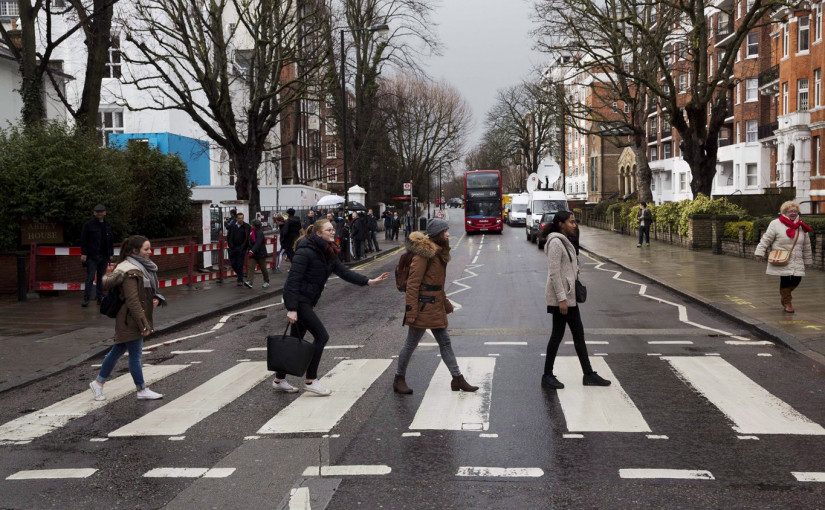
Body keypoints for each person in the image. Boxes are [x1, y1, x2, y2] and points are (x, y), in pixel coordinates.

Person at [272, 220, 390, 395]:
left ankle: (279, 380)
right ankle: (311, 380)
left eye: (332, 229)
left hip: (308, 300)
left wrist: (368, 281)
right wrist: (292, 308)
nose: (333, 231)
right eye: (328, 230)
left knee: (295, 339)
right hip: (300, 301)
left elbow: (344, 272)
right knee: (321, 336)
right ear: (319, 233)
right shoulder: (305, 251)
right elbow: (293, 280)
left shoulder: (328, 251)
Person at [393, 219, 478, 395]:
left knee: (445, 342)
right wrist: (411, 311)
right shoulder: (424, 255)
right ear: (438, 234)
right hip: (423, 307)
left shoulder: (438, 253)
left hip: (435, 305)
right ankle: (398, 378)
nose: (448, 234)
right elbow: (413, 284)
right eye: (445, 231)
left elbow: (436, 284)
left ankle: (457, 378)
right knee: (411, 343)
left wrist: (445, 303)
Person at [88, 235, 166, 401]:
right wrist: (143, 324)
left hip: (132, 317)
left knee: (117, 351)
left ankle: (98, 383)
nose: (150, 252)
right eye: (146, 249)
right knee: (135, 355)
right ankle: (141, 389)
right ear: (135, 251)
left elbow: (146, 292)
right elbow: (132, 300)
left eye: (150, 248)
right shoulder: (130, 271)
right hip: (130, 318)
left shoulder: (143, 268)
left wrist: (156, 299)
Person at [541, 210, 611, 390]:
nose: (575, 225)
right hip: (562, 300)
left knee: (577, 335)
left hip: (569, 298)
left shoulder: (565, 241)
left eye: (575, 221)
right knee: (558, 336)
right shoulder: (555, 243)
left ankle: (588, 374)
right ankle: (547, 375)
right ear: (560, 224)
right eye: (571, 222)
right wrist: (562, 299)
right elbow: (554, 273)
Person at [754, 201, 813, 313]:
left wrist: (808, 259)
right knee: (785, 279)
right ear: (785, 212)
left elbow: (807, 244)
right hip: (782, 258)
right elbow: (766, 239)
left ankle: (785, 296)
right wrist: (759, 252)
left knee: (797, 279)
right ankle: (787, 303)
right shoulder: (775, 224)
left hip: (797, 259)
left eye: (795, 211)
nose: (793, 213)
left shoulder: (801, 225)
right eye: (791, 211)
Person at [80, 204, 115, 307]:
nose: (100, 213)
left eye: (101, 211)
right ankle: (86, 298)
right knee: (90, 277)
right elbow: (83, 239)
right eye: (98, 211)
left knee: (101, 278)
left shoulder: (107, 225)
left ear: (105, 212)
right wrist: (84, 253)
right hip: (92, 256)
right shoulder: (88, 225)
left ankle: (100, 297)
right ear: (94, 213)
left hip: (104, 256)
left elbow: (110, 240)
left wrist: (110, 254)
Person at [227, 212, 252, 287]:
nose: (241, 220)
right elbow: (229, 236)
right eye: (239, 218)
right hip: (233, 247)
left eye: (242, 218)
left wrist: (244, 247)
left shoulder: (247, 226)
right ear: (236, 219)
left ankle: (240, 280)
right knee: (233, 263)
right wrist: (230, 245)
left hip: (241, 247)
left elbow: (248, 237)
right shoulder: (232, 226)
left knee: (240, 264)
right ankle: (240, 275)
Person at [246, 219, 270, 288]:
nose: (251, 225)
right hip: (253, 254)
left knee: (263, 268)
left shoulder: (259, 232)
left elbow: (258, 243)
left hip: (260, 253)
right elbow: (249, 241)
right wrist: (249, 249)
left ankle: (266, 281)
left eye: (252, 224)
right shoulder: (252, 232)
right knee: (251, 267)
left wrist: (252, 251)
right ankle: (249, 282)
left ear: (254, 226)